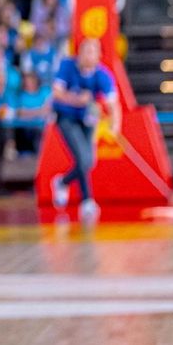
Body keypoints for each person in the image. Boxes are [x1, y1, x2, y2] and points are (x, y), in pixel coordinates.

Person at [50, 37, 120, 221]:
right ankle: (87, 201)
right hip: (66, 118)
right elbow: (56, 93)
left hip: (88, 120)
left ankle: (62, 182)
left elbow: (113, 104)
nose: (88, 55)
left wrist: (115, 124)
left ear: (99, 56)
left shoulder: (102, 75)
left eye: (93, 51)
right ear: (78, 53)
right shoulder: (67, 66)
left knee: (88, 162)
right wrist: (76, 99)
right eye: (85, 51)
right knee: (82, 158)